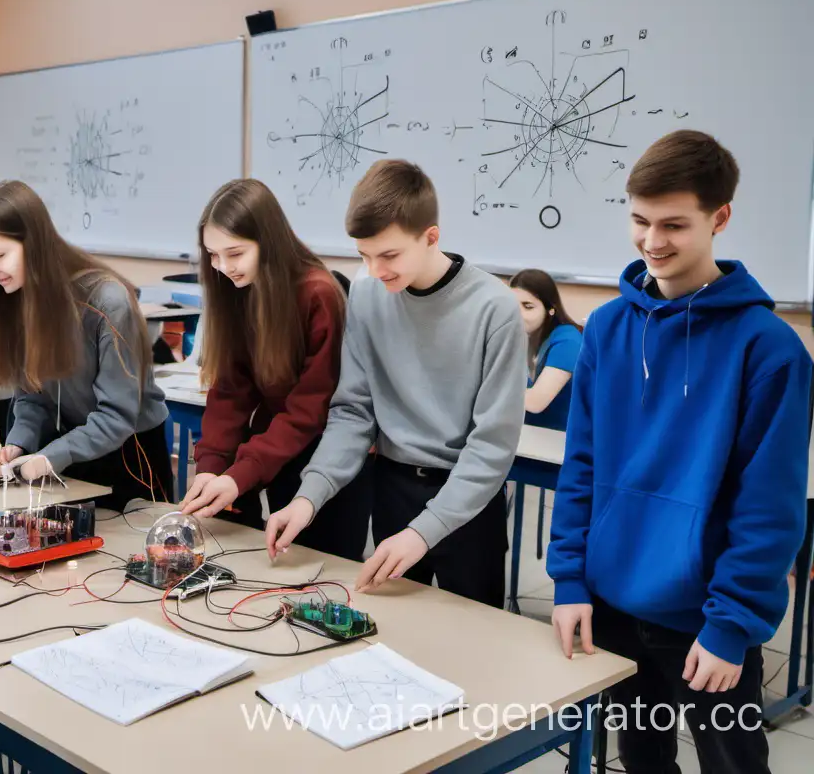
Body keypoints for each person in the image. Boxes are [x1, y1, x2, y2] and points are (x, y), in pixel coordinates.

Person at [547, 130, 811, 774]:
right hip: (610, 603)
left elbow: (769, 509)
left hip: (705, 616)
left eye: (674, 224)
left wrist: (731, 624)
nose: (652, 241)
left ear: (720, 218)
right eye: (639, 220)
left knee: (733, 763)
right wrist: (569, 580)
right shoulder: (607, 328)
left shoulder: (770, 350)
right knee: (641, 759)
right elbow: (581, 463)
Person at [265, 159, 526, 603]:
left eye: (389, 255)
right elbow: (353, 412)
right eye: (364, 256)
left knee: (476, 650)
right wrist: (308, 498)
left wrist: (423, 533)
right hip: (392, 489)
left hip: (467, 502)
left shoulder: (494, 309)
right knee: (398, 642)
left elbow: (491, 448)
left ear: (431, 237)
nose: (376, 269)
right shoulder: (367, 294)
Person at [179, 179, 371, 561]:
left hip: (326, 458)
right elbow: (230, 391)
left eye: (234, 253)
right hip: (279, 449)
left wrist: (240, 474)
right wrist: (211, 467)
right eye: (213, 255)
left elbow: (308, 410)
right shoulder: (236, 290)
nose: (223, 267)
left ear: (269, 241)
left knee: (321, 575)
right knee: (273, 567)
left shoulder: (319, 294)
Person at [0, 180, 173, 510]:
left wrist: (50, 457)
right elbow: (31, 394)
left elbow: (117, 416)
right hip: (69, 449)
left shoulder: (106, 301)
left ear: (34, 243)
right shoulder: (15, 298)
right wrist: (18, 442)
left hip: (131, 454)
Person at [509, 268, 583, 431]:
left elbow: (535, 403)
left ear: (550, 309)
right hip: (529, 433)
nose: (518, 314)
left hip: (557, 441)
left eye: (528, 307)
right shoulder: (524, 335)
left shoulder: (568, 341)